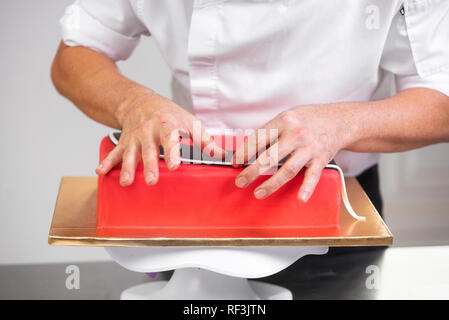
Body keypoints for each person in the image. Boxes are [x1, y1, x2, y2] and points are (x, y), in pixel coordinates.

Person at [51, 0, 449, 215]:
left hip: (330, 197)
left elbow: (440, 95)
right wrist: (132, 103)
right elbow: (74, 56)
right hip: (185, 192)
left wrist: (341, 124)